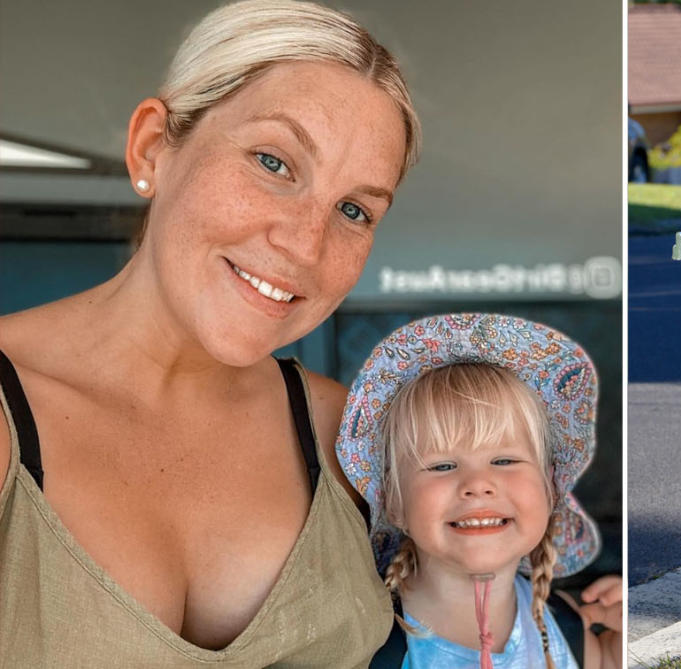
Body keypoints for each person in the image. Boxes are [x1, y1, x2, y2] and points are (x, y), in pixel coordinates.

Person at [0, 0, 419, 664]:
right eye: (273, 162)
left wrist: (574, 611)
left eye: (353, 209)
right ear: (152, 149)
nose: (306, 245)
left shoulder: (354, 437)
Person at [335, 313, 623, 669]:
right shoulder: (367, 647)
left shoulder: (567, 630)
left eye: (504, 460)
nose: (477, 484)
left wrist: (616, 648)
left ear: (550, 486)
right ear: (394, 501)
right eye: (442, 466)